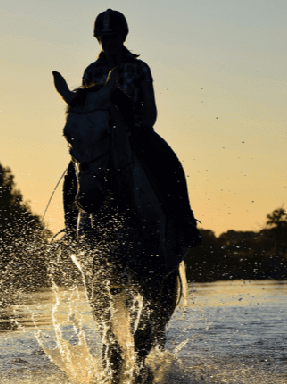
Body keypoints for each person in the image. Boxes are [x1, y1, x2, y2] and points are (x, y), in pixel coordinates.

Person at [63, 9, 201, 247]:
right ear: (98, 39)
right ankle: (71, 234)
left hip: (137, 134)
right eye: (104, 38)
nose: (109, 43)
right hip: (102, 141)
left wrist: (140, 130)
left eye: (113, 37)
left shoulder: (139, 68)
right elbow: (87, 111)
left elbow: (150, 110)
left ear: (123, 37)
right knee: (71, 176)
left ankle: (185, 223)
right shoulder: (91, 71)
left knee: (170, 163)